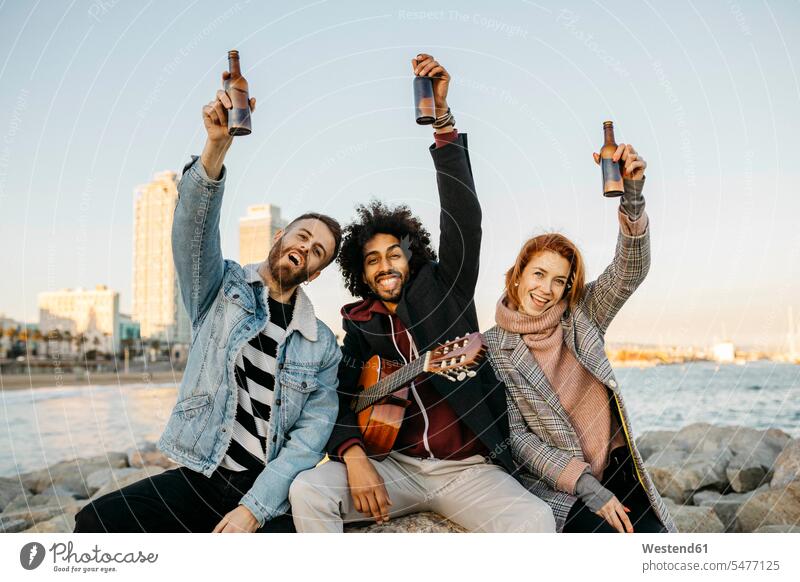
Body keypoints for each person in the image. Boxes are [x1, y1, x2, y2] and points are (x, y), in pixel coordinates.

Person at [288, 54, 555, 533]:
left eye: (394, 253)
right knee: (307, 491)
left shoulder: (444, 286)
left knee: (534, 520)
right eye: (372, 259)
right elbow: (339, 398)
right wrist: (353, 456)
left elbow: (464, 220)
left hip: (469, 469)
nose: (386, 265)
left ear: (410, 258)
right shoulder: (359, 327)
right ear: (361, 273)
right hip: (396, 468)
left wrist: (444, 127)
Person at [75, 70, 342, 534]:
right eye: (302, 234)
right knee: (95, 522)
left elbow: (307, 442)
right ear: (281, 237)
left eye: (317, 250)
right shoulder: (222, 289)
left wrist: (252, 511)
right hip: (202, 474)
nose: (306, 246)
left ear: (315, 272)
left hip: (267, 491)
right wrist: (216, 147)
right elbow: (192, 233)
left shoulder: (321, 346)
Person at [483, 142, 677, 533]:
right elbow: (518, 439)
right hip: (560, 484)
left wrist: (633, 199)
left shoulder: (581, 315)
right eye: (538, 274)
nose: (546, 289)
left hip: (617, 464)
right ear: (518, 274)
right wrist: (585, 486)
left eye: (559, 280)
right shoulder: (491, 348)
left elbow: (630, 271)